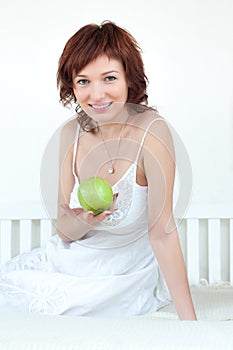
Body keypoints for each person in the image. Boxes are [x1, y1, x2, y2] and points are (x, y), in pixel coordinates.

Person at [0, 21, 197, 320]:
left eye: (109, 78)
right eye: (83, 81)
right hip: (69, 263)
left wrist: (190, 324)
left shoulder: (152, 132)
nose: (97, 95)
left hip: (122, 277)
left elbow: (162, 234)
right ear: (71, 85)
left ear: (129, 78)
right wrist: (86, 219)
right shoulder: (71, 134)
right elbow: (64, 232)